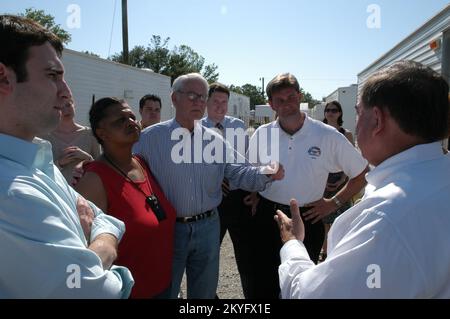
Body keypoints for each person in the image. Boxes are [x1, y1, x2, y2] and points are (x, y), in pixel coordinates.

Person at [276, 61, 450, 298]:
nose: (356, 124)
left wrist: (293, 244)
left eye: (359, 113)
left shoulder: (384, 218)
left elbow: (308, 295)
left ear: (377, 121)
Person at [0, 15, 133, 298]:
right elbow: (96, 291)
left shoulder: (36, 162)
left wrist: (92, 247)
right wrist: (105, 246)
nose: (66, 93)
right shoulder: (10, 192)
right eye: (52, 75)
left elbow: (107, 219)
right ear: (3, 77)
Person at [133, 73, 284, 299]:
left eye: (202, 97)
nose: (198, 102)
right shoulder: (148, 139)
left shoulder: (215, 140)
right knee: (166, 291)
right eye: (192, 95)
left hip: (208, 227)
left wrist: (266, 173)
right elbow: (121, 169)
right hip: (169, 229)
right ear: (174, 99)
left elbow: (239, 172)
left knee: (203, 294)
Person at [246, 73, 368, 298]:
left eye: (291, 97)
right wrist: (255, 192)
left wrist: (333, 203)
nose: (286, 104)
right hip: (267, 216)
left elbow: (361, 174)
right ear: (271, 104)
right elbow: (251, 170)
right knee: (263, 282)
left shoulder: (326, 135)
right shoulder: (262, 134)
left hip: (308, 218)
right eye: (279, 100)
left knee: (302, 286)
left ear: (300, 97)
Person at [74, 97, 176, 298]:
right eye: (119, 121)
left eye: (131, 116)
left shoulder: (141, 162)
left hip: (163, 285)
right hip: (130, 292)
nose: (131, 122)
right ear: (101, 133)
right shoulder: (95, 180)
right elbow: (85, 249)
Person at [201, 82, 253, 298]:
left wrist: (253, 189)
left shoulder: (238, 126)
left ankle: (252, 297)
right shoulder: (194, 127)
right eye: (216, 101)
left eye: (224, 102)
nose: (221, 106)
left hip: (238, 199)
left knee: (246, 254)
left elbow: (246, 161)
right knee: (209, 254)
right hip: (211, 199)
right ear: (206, 102)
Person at [320, 100, 355, 260]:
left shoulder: (346, 134)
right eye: (328, 110)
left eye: (334, 110)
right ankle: (324, 251)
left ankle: (335, 251)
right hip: (321, 180)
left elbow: (351, 160)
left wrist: (342, 179)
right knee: (323, 220)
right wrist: (321, 178)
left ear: (340, 113)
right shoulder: (319, 132)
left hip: (341, 179)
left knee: (340, 219)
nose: (331, 113)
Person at [41, 97, 101, 183]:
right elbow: (40, 172)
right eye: (60, 107)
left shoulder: (90, 134)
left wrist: (86, 157)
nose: (66, 110)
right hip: (58, 192)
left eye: (68, 105)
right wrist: (60, 163)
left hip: (85, 192)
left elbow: (100, 168)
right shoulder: (44, 137)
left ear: (74, 105)